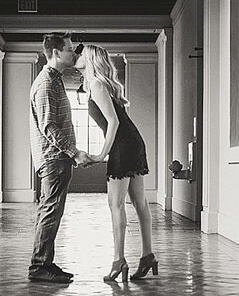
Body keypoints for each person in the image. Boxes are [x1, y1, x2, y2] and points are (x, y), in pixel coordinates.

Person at [74, 43, 157, 282]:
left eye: (81, 54)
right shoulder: (98, 85)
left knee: (116, 205)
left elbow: (113, 122)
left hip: (124, 145)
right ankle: (147, 256)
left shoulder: (98, 85)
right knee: (139, 202)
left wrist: (101, 155)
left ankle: (119, 260)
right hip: (133, 142)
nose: (77, 57)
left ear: (90, 59)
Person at [28, 33, 95, 283]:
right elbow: (49, 127)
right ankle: (39, 267)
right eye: (68, 49)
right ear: (56, 53)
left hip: (58, 159)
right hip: (53, 160)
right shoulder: (46, 83)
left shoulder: (54, 80)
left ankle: (45, 263)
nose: (72, 54)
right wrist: (75, 152)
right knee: (50, 211)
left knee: (51, 211)